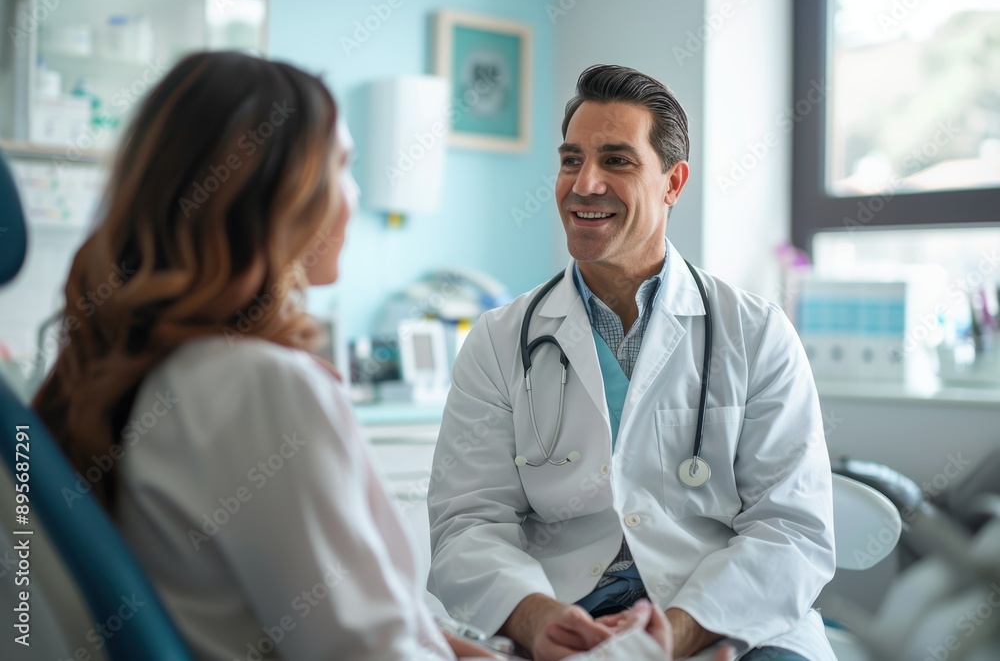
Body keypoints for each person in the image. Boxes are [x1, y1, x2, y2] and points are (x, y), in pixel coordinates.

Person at [31, 52, 719, 661]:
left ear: (673, 182)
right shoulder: (261, 386)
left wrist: (457, 646)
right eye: (342, 168)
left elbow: (343, 620)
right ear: (277, 195)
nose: (353, 197)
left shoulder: (139, 372)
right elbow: (367, 646)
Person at [427, 64, 837, 661]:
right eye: (571, 160)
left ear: (673, 182)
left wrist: (677, 632)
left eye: (616, 161)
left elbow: (792, 529)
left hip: (723, 614)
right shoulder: (498, 339)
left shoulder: (757, 333)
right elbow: (468, 523)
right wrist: (537, 618)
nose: (584, 184)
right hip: (565, 612)